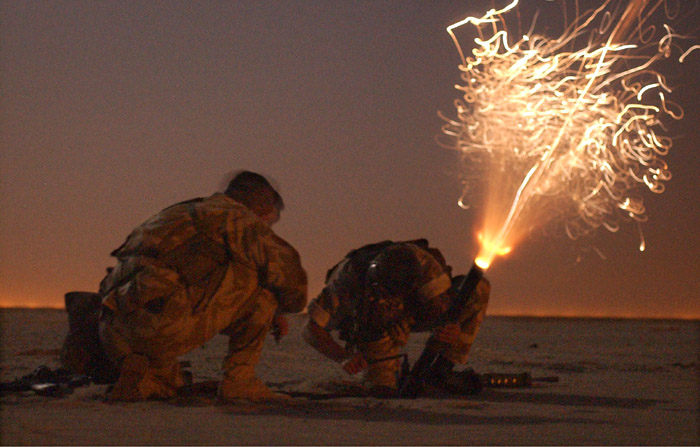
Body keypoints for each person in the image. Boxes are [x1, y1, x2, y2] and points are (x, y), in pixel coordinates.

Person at [95, 171, 307, 402]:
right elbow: (292, 279)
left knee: (173, 383)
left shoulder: (180, 212)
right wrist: (277, 307)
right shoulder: (237, 218)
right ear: (263, 205)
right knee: (261, 285)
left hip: (111, 328)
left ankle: (146, 374)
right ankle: (240, 380)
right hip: (160, 326)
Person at [302, 239, 490, 396]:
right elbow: (311, 329)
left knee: (478, 289)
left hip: (413, 313)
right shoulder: (347, 280)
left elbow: (442, 308)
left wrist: (451, 326)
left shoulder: (424, 265)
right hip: (374, 325)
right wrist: (343, 357)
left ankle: (441, 370)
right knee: (382, 389)